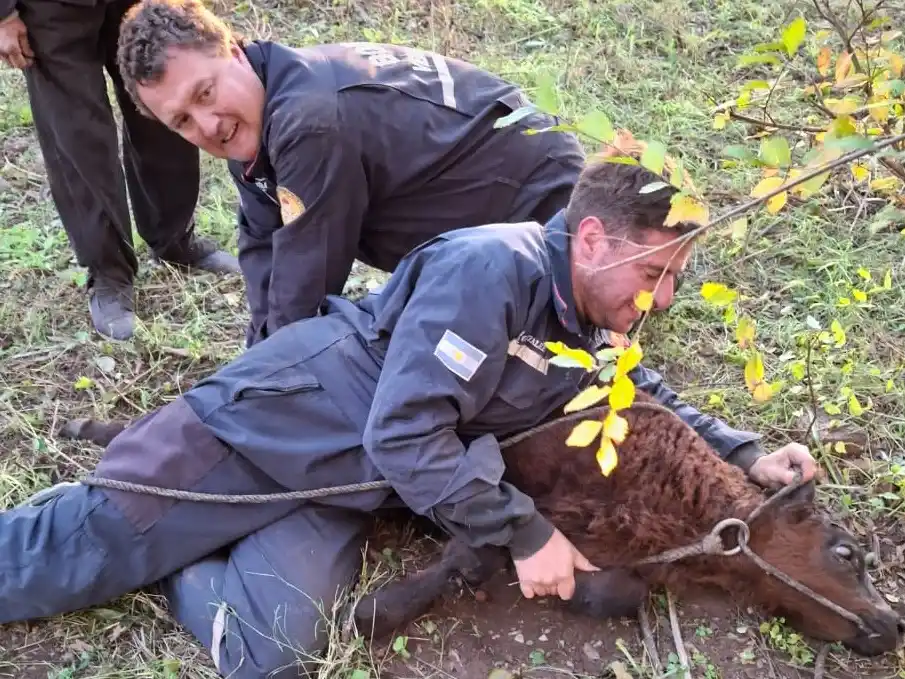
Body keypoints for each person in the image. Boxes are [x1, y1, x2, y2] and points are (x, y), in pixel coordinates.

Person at [0, 159, 817, 678]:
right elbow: (406, 433)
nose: (661, 298)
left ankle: (177, 558)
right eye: (656, 271)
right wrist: (525, 533)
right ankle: (126, 522)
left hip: (339, 483)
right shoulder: (492, 270)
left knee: (270, 655)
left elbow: (644, 390)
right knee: (62, 559)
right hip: (260, 431)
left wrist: (744, 451)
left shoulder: (590, 317)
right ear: (594, 238)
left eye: (673, 278)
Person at [113, 0, 588, 347]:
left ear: (234, 51)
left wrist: (265, 374)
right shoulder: (260, 105)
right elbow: (263, 244)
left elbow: (305, 289)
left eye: (205, 93)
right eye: (182, 121)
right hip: (479, 211)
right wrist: (256, 351)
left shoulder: (309, 121)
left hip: (545, 210)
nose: (208, 126)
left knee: (437, 372)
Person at [0, 0, 240, 341]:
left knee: (164, 98)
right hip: (50, 10)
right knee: (78, 136)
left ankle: (174, 237)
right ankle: (109, 271)